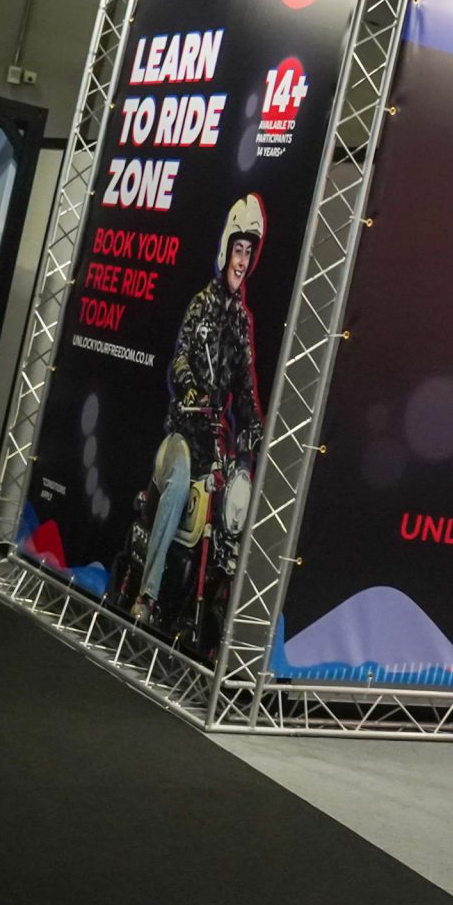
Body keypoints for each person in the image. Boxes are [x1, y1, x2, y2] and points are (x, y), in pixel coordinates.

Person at [131, 194, 266, 631]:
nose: (242, 260)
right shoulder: (201, 305)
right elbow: (181, 357)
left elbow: (244, 387)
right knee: (175, 490)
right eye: (238, 250)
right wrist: (189, 384)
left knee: (234, 515)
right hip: (183, 433)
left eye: (248, 252)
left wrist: (255, 426)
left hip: (214, 443)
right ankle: (147, 594)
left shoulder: (241, 321)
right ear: (227, 250)